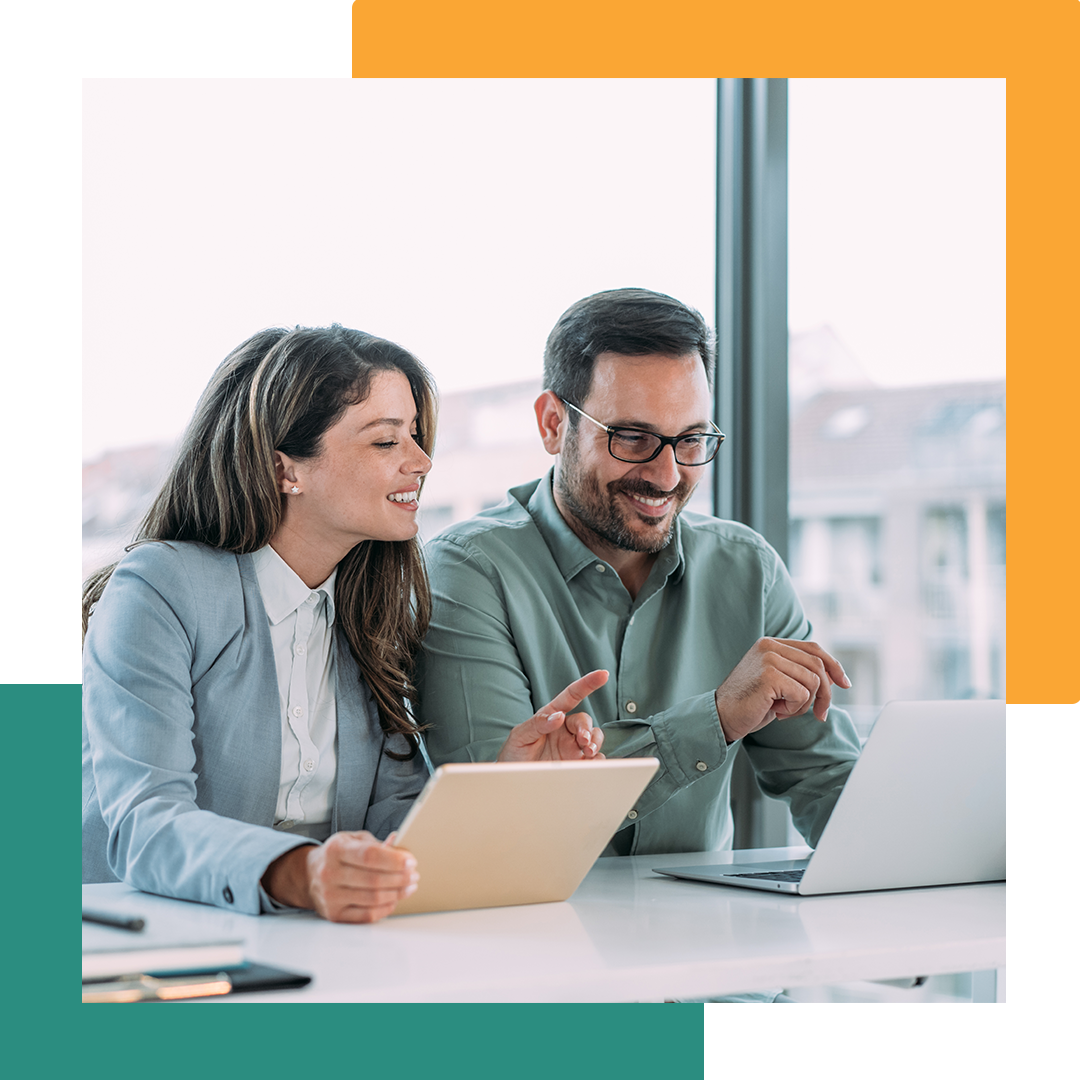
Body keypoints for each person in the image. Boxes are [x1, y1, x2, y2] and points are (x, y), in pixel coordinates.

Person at [82, 325, 605, 925]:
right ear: (287, 471)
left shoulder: (368, 612)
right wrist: (300, 873)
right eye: (386, 442)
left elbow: (392, 832)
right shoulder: (160, 590)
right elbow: (146, 825)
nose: (422, 461)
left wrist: (509, 792)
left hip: (311, 949)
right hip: (140, 950)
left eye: (414, 435)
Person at [419, 288, 862, 861]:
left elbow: (825, 780)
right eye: (633, 438)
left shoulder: (747, 570)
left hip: (703, 939)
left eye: (692, 440)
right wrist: (716, 717)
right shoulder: (466, 572)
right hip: (531, 937)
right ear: (554, 424)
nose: (667, 474)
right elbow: (494, 821)